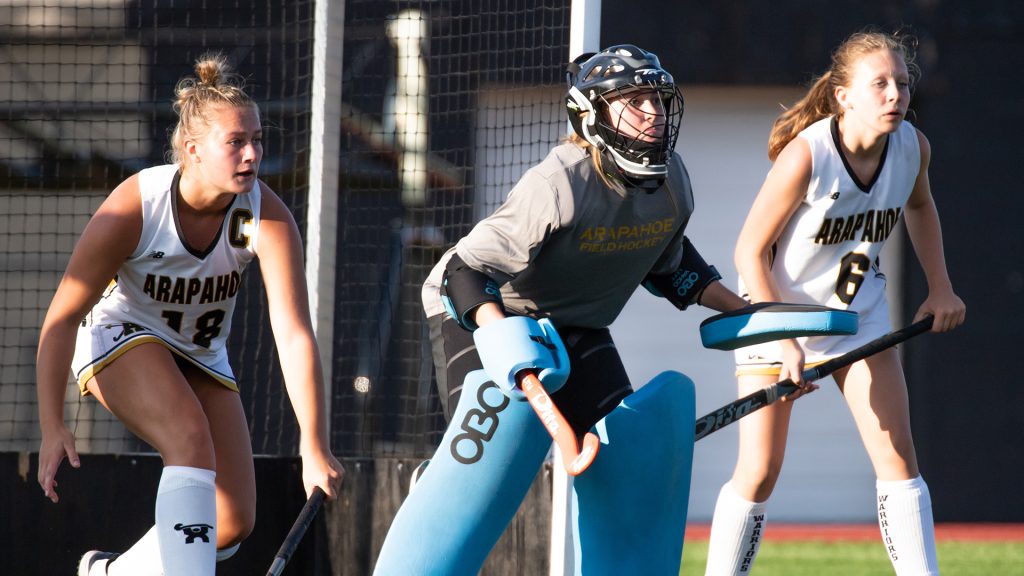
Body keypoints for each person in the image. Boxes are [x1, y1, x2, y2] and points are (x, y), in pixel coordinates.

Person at [373, 45, 748, 575]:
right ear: (591, 115)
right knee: (490, 465)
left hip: (574, 324)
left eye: (657, 99)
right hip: (484, 312)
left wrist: (750, 315)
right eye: (634, 100)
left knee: (627, 462)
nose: (653, 112)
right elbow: (465, 271)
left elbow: (668, 265)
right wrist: (506, 342)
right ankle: (440, 481)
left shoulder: (672, 184)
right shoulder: (557, 183)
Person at [36, 53, 344, 576]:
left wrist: (313, 445)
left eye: (257, 139)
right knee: (189, 436)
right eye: (236, 142)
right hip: (120, 337)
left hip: (200, 354)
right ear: (192, 149)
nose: (252, 154)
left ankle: (109, 573)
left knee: (232, 519)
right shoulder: (136, 207)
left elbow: (293, 334)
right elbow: (61, 318)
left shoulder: (263, 217)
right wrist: (51, 423)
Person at [704, 30, 966, 576]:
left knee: (898, 459)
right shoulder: (807, 156)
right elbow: (749, 252)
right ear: (845, 96)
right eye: (880, 84)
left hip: (857, 315)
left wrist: (940, 286)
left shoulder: (913, 147)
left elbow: (921, 207)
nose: (895, 94)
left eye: (901, 83)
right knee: (760, 470)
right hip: (779, 312)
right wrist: (784, 337)